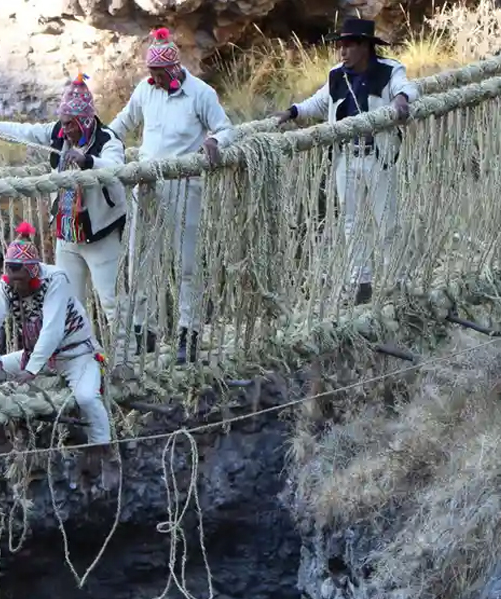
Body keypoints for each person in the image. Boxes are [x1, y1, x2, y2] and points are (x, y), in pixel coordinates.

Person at [0, 74, 128, 347]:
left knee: (112, 301)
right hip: (67, 234)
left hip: (100, 236)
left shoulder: (107, 140)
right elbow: (22, 132)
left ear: (84, 121)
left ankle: (127, 357)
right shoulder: (58, 133)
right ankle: (78, 355)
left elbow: (117, 170)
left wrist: (88, 160)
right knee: (68, 302)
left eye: (69, 124)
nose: (64, 130)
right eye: (63, 123)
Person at [108, 27, 238, 365]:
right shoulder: (145, 89)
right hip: (146, 184)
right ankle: (144, 332)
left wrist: (214, 141)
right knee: (139, 259)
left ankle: (187, 333)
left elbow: (226, 129)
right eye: (150, 73)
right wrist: (99, 147)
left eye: (159, 73)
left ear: (174, 69)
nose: (154, 79)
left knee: (186, 262)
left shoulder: (201, 94)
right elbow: (121, 124)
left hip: (184, 185)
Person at [272, 17, 415, 306]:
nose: (342, 51)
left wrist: (401, 100)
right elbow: (319, 102)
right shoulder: (337, 75)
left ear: (365, 46)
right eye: (341, 45)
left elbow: (408, 88)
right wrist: (292, 112)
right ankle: (360, 284)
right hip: (346, 157)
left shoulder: (389, 71)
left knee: (387, 222)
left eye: (348, 45)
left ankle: (397, 282)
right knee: (351, 222)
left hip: (378, 157)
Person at [0, 222, 119, 491]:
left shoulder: (55, 279)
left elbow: (52, 330)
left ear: (33, 272)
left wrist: (31, 371)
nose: (16, 286)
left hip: (76, 354)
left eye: (21, 280)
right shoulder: (7, 285)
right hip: (35, 357)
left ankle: (106, 452)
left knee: (87, 398)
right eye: (12, 280)